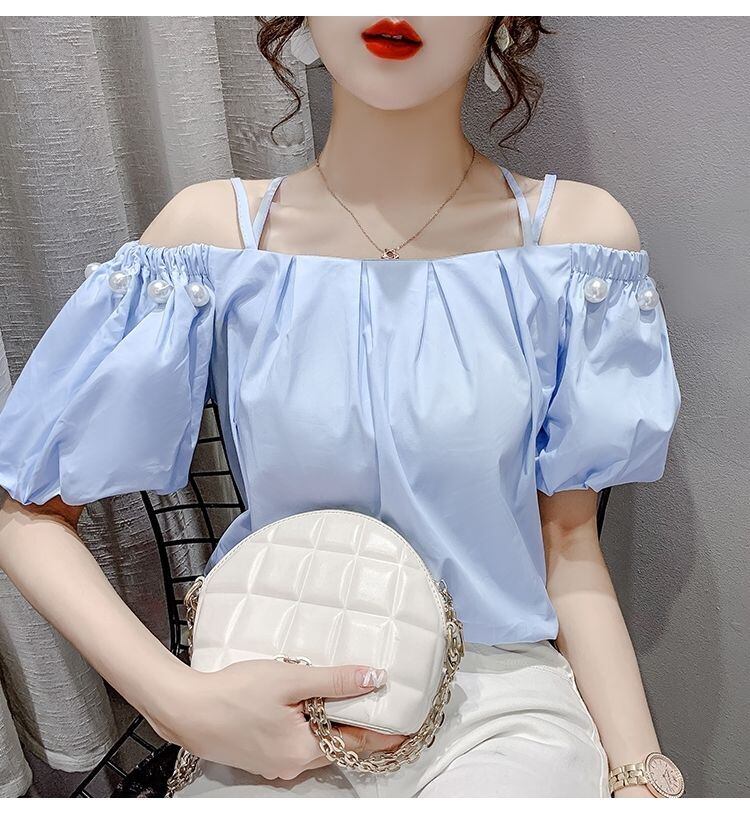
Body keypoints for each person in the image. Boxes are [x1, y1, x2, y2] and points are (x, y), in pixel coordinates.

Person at [0, 16, 684, 798]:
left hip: (494, 706)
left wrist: (639, 774)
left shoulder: (575, 247)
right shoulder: (211, 239)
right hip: (274, 696)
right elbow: (26, 506)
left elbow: (569, 544)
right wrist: (179, 702)